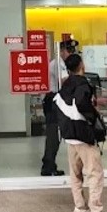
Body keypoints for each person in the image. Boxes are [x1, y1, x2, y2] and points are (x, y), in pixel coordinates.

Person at [55, 53, 107, 212]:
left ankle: (80, 207)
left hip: (69, 136)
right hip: (83, 135)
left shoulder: (65, 84)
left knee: (75, 174)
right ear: (81, 65)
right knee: (95, 173)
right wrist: (92, 119)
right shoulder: (83, 84)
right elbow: (83, 104)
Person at [41, 40, 77, 176]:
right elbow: (64, 81)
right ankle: (48, 166)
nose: (70, 54)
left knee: (55, 135)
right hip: (52, 100)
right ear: (61, 50)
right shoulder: (58, 63)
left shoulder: (60, 63)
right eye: (69, 51)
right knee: (53, 135)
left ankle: (50, 164)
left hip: (55, 99)